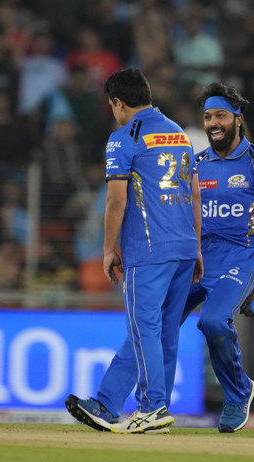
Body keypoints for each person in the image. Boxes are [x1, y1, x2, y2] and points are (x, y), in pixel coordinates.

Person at [64, 68, 203, 434]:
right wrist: (198, 247)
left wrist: (108, 249)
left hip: (150, 249)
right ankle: (109, 403)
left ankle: (152, 406)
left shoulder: (123, 138)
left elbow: (115, 201)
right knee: (159, 332)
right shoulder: (179, 133)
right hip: (185, 247)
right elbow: (195, 194)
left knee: (145, 330)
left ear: (118, 103)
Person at [182, 82, 254, 433]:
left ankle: (238, 392)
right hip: (198, 256)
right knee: (157, 318)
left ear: (238, 119)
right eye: (208, 115)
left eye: (220, 115)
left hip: (240, 256)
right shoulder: (195, 164)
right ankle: (150, 404)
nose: (212, 122)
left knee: (211, 321)